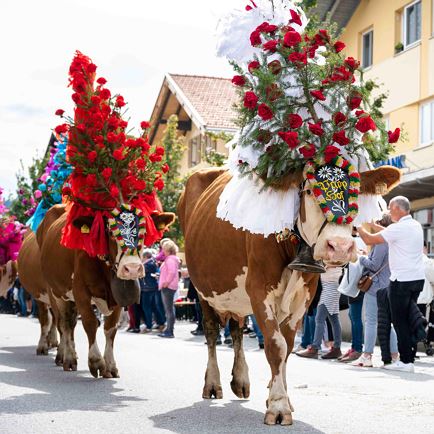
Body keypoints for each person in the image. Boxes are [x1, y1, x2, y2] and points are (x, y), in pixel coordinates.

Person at [357, 196, 425, 372]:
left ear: (397, 209)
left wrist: (357, 226)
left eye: (389, 207)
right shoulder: (414, 225)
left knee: (399, 321)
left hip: (401, 281)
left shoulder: (398, 229)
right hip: (417, 279)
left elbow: (369, 240)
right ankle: (408, 355)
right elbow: (389, 232)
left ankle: (405, 361)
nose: (387, 210)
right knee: (407, 318)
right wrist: (373, 224)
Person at [351, 213, 398, 367]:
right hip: (388, 285)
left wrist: (360, 257)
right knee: (387, 322)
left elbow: (374, 265)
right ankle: (395, 355)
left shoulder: (381, 241)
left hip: (376, 286)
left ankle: (367, 355)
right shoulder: (393, 241)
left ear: (380, 223)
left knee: (371, 321)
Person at [296, 266, 342, 359]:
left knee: (319, 319)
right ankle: (336, 349)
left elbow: (337, 260)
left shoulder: (337, 252)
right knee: (334, 319)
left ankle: (315, 348)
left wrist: (326, 265)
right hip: (330, 284)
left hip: (330, 285)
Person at [139, 249, 166, 333]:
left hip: (148, 288)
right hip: (151, 288)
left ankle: (149, 325)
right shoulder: (152, 263)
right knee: (154, 307)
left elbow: (141, 272)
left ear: (145, 256)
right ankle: (160, 323)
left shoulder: (148, 264)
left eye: (142, 257)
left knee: (147, 307)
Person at [158, 239, 180, 338]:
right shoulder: (172, 259)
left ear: (168, 249)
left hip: (168, 287)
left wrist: (166, 282)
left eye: (164, 249)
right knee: (170, 309)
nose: (163, 251)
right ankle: (169, 329)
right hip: (170, 286)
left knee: (169, 310)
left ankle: (169, 331)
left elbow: (171, 272)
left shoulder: (170, 259)